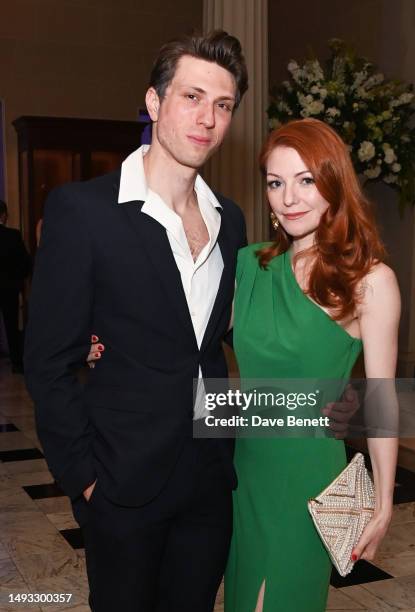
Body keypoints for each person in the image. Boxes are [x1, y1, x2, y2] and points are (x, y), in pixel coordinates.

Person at [24, 31, 249, 612]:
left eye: (223, 105)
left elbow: (213, 344)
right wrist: (85, 478)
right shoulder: (85, 211)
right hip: (121, 483)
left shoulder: (232, 221)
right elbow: (48, 361)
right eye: (192, 97)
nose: (207, 119)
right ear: (154, 103)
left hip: (207, 479)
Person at [223, 119, 400, 611]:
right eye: (276, 183)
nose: (289, 198)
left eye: (306, 180)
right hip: (246, 469)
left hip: (310, 476)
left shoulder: (370, 281)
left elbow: (380, 397)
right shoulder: (248, 265)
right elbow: (184, 334)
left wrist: (383, 502)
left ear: (333, 184)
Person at [0, 200, 31, 373]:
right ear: (4, 215)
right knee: (11, 326)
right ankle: (17, 363)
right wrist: (18, 281)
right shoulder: (13, 235)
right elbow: (24, 263)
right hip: (8, 288)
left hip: (8, 285)